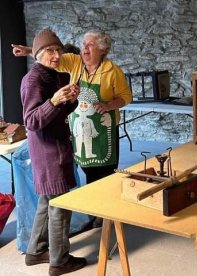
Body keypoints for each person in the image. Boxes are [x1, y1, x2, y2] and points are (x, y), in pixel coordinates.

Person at [13, 31, 132, 227]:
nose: (84, 48)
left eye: (90, 45)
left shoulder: (113, 71)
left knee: (104, 174)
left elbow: (126, 96)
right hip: (79, 127)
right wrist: (29, 51)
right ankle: (94, 214)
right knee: (86, 171)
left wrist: (109, 105)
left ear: (102, 50)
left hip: (103, 130)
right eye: (84, 44)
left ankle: (106, 216)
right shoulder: (75, 62)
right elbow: (50, 57)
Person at [19, 28, 87, 276]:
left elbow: (60, 112)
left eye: (58, 50)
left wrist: (71, 100)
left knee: (47, 199)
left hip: (55, 145)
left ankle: (35, 251)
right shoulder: (33, 80)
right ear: (38, 54)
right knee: (60, 203)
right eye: (50, 50)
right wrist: (54, 101)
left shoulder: (53, 75)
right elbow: (32, 121)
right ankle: (59, 261)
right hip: (48, 151)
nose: (56, 55)